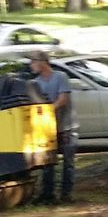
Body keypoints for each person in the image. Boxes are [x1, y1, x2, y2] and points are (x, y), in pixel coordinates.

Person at [27, 51, 76, 205]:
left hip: (66, 126)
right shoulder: (36, 83)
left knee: (68, 162)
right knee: (48, 163)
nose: (31, 65)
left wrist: (48, 110)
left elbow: (63, 99)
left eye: (33, 61)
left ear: (43, 62)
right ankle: (48, 194)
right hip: (48, 130)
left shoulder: (60, 77)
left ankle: (66, 194)